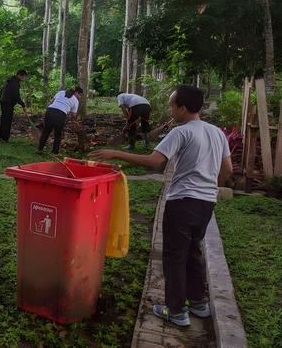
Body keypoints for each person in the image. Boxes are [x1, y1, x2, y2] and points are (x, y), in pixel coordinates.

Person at [91, 84, 231, 327]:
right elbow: (227, 169)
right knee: (193, 252)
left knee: (175, 256)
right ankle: (198, 304)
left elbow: (154, 161)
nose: (170, 110)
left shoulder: (181, 132)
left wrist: (116, 154)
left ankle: (176, 311)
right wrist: (210, 188)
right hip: (206, 204)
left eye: (172, 106)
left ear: (183, 108)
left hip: (183, 202)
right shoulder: (217, 132)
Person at [37, 86, 84, 155]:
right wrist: (74, 117)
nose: (79, 96)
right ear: (76, 92)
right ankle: (55, 153)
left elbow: (52, 101)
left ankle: (39, 149)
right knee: (58, 134)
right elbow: (74, 114)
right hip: (60, 114)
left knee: (46, 131)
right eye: (79, 95)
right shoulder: (75, 100)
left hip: (50, 111)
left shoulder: (61, 92)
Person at [0, 69, 28, 142]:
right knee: (7, 120)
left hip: (3, 101)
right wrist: (23, 105)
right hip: (8, 102)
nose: (23, 79)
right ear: (19, 75)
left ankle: (0, 137)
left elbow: (2, 89)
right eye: (23, 77)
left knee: (4, 119)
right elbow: (16, 95)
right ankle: (5, 138)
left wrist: (0, 97)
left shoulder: (10, 79)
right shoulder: (15, 82)